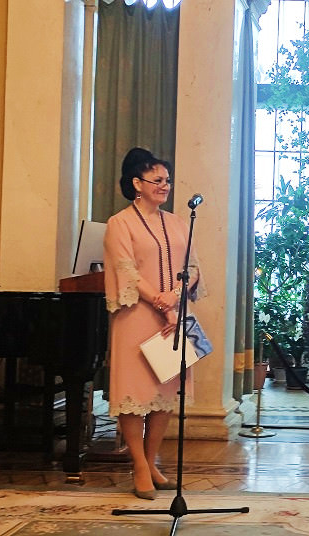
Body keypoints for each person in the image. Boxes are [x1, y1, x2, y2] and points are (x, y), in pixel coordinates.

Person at [103, 147, 204, 500]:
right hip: (136, 315)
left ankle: (152, 461)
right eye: (157, 179)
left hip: (173, 317)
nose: (165, 185)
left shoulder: (177, 222)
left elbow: (193, 268)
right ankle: (139, 465)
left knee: (164, 393)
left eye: (167, 180)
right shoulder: (120, 223)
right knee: (134, 393)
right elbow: (126, 271)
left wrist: (174, 297)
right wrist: (161, 301)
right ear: (136, 183)